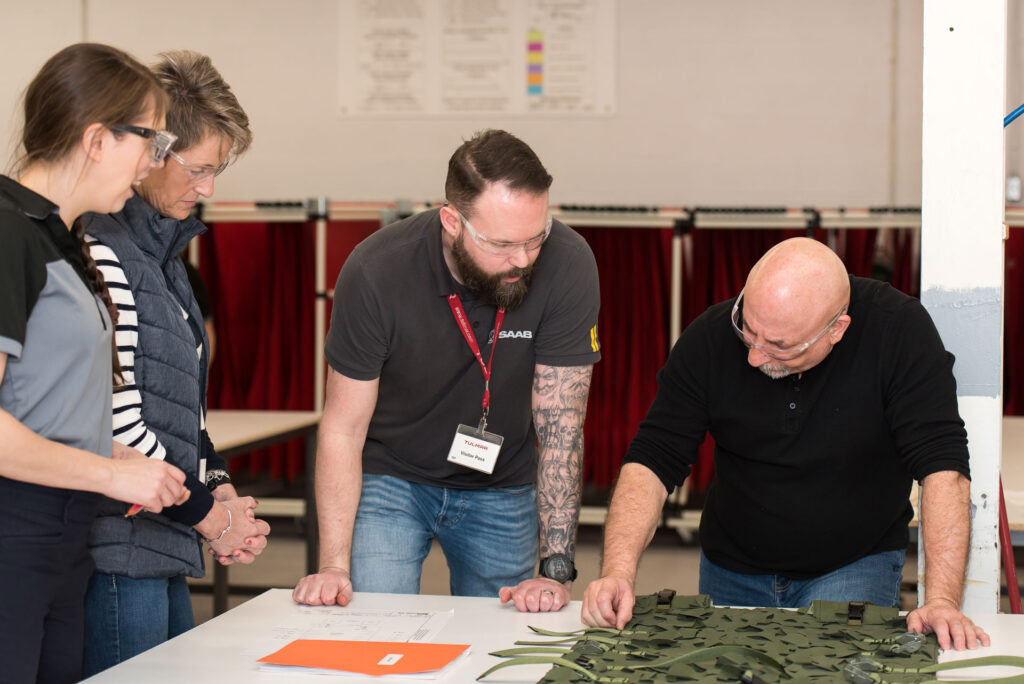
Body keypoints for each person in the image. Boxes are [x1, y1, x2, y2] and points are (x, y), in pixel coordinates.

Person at [581, 237, 990, 652]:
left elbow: (943, 468)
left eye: (779, 346)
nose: (754, 357)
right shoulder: (711, 335)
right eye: (749, 328)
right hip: (732, 567)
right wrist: (617, 571)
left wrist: (940, 600)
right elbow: (652, 460)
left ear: (837, 330)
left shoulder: (899, 333)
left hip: (851, 565)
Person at [292, 129, 601, 612]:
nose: (521, 259)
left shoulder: (567, 262)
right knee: (376, 626)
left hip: (502, 483)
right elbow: (342, 428)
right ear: (452, 221)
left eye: (534, 238)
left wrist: (554, 570)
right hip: (392, 477)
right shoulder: (378, 270)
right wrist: (333, 564)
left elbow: (560, 427)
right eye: (501, 243)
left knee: (500, 643)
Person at [0, 42, 191, 684]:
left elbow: (39, 397)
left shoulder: (59, 234)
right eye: (150, 140)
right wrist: (108, 476)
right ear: (96, 138)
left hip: (60, 530)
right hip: (14, 529)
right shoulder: (7, 234)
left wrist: (110, 454)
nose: (150, 164)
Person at [80, 50, 271, 676]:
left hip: (164, 536)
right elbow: (118, 422)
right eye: (198, 169)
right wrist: (214, 520)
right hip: (117, 546)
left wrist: (219, 488)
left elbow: (184, 414)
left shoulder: (166, 260)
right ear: (149, 155)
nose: (208, 188)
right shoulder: (102, 248)